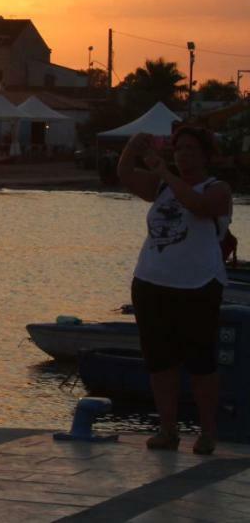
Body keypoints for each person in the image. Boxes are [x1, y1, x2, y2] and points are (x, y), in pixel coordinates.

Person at [118, 126, 231, 455]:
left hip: (198, 286)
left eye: (191, 149)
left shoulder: (218, 189)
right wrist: (132, 147)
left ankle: (208, 432)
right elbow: (125, 175)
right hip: (152, 284)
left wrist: (163, 170)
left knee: (201, 364)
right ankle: (168, 429)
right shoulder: (162, 186)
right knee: (160, 362)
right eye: (179, 149)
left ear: (206, 155)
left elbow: (196, 204)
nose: (183, 155)